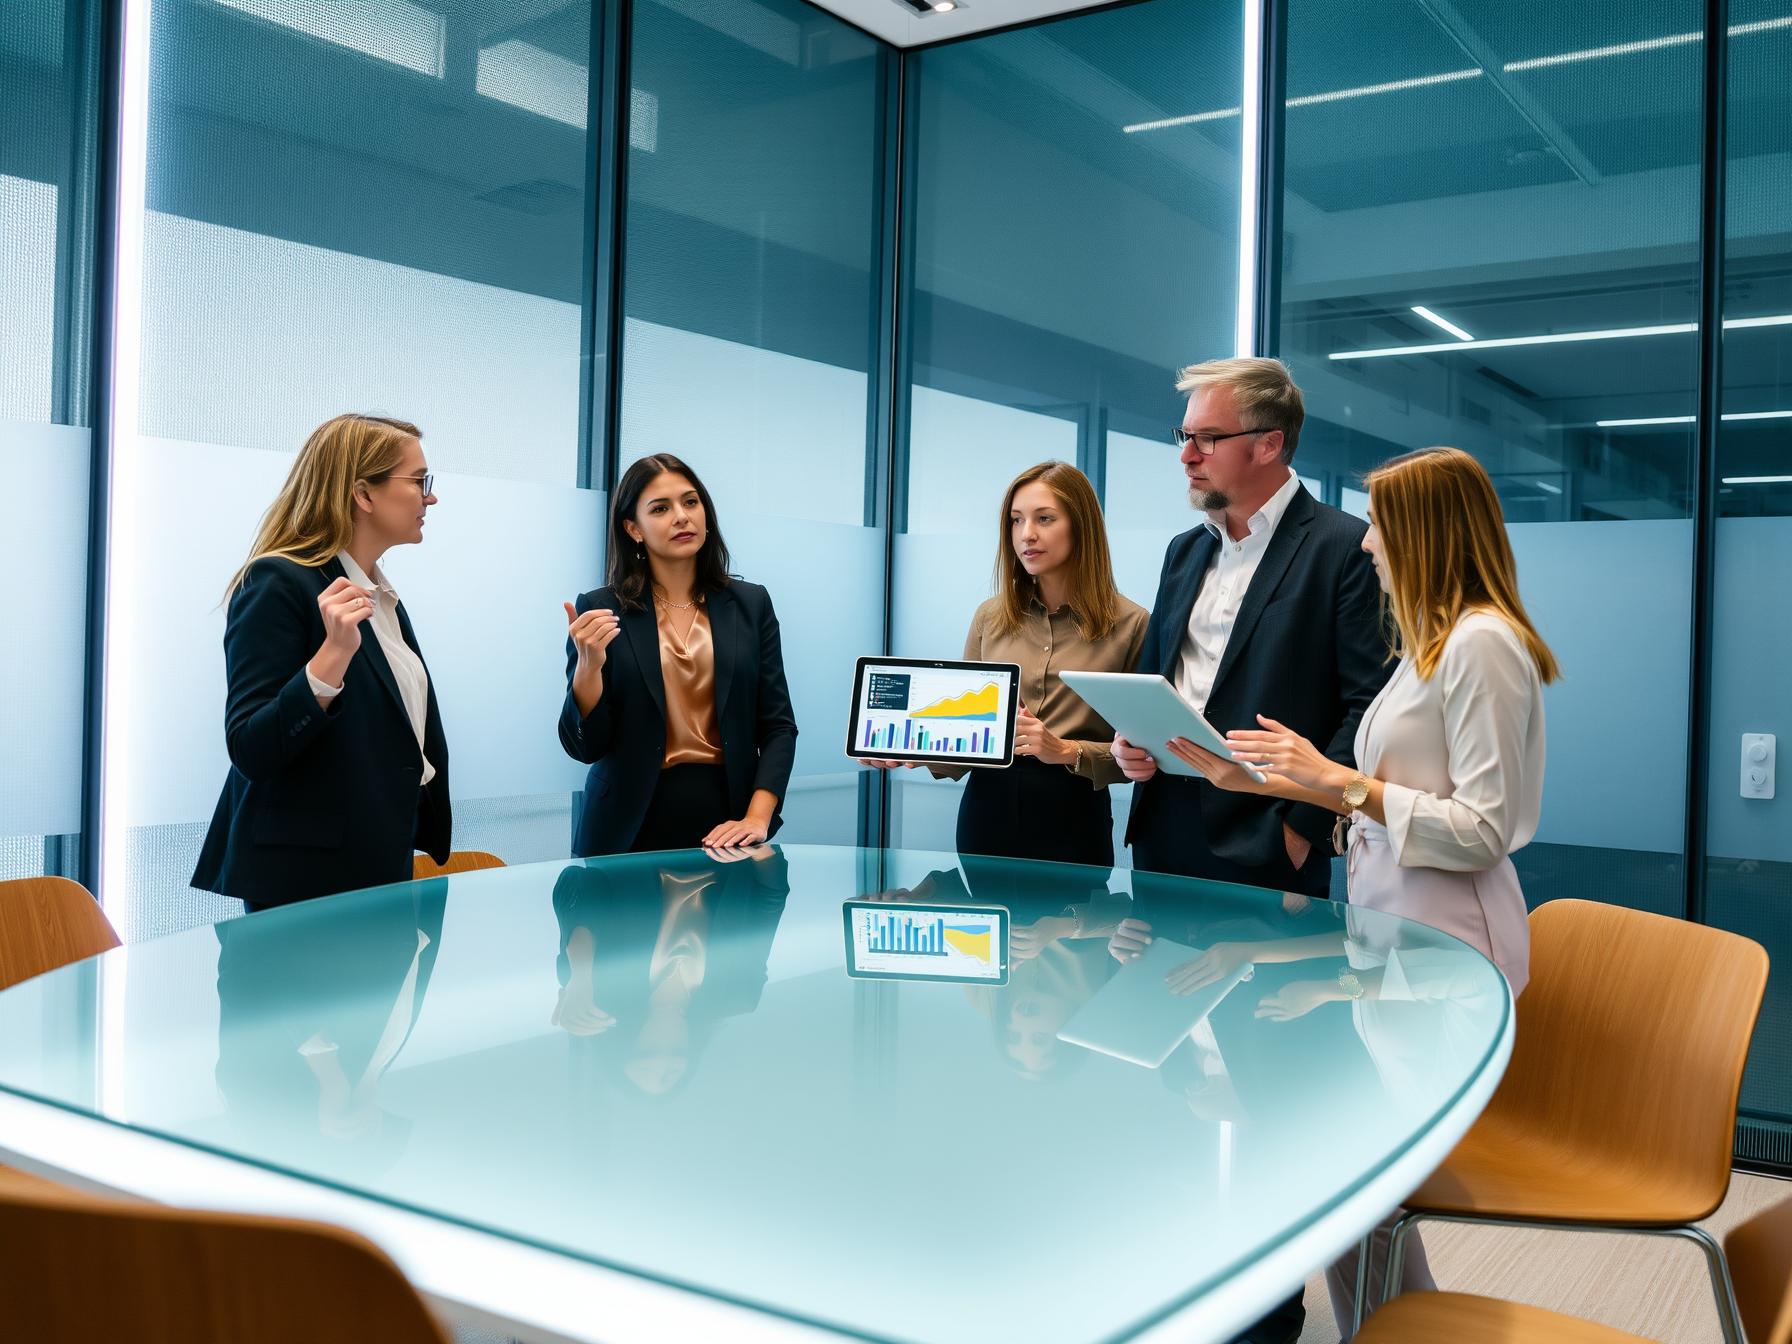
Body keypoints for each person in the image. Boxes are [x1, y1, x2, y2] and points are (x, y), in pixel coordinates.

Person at [1163, 445, 1557, 1336]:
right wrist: (1260, 781)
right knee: (1352, 1186)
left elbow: (1484, 830)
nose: (1368, 541)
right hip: (1394, 943)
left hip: (1453, 952)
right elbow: (1371, 792)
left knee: (1348, 1174)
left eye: (1381, 522)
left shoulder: (1484, 645)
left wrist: (1333, 783)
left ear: (1423, 531)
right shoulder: (1431, 646)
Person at [1115, 357, 1388, 901]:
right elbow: (1156, 678)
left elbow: (1369, 707)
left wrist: (1300, 831)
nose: (1187, 455)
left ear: (1268, 445)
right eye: (1184, 436)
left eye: (1208, 439)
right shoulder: (1185, 550)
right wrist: (1130, 742)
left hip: (1266, 837)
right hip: (1161, 825)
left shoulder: (1345, 548)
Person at [192, 414, 450, 912]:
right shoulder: (276, 582)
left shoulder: (380, 596)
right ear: (363, 494)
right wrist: (331, 658)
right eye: (419, 482)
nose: (430, 497)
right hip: (304, 886)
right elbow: (251, 747)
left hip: (376, 866)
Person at [867, 461, 1147, 866]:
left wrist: (1066, 750)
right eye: (1016, 521)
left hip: (1074, 819)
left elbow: (1139, 757)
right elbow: (967, 733)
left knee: (1075, 929)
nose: (1026, 534)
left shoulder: (1131, 625)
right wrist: (914, 748)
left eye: (1044, 518)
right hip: (985, 814)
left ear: (1080, 526)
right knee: (982, 924)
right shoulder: (990, 617)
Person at [559, 454, 798, 856]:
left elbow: (778, 726)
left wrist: (757, 817)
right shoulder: (601, 608)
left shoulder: (750, 604)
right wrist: (588, 667)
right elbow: (586, 747)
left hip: (728, 816)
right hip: (627, 823)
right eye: (661, 508)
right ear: (633, 529)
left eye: (691, 502)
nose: (682, 517)